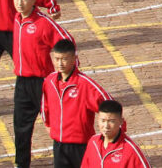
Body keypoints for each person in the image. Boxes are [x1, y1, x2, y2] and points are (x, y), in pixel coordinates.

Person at [11, 0, 73, 168]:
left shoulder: (44, 23)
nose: (19, 3)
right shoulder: (16, 18)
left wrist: (68, 74)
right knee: (20, 128)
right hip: (22, 83)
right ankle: (21, 164)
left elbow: (66, 41)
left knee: (55, 126)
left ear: (33, 0)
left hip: (43, 83)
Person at [42, 39, 113, 168]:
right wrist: (48, 124)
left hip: (82, 145)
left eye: (64, 59)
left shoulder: (85, 84)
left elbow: (108, 105)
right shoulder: (49, 81)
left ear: (74, 59)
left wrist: (115, 133)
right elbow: (45, 105)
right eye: (57, 59)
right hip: (59, 145)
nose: (60, 64)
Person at [80, 100, 152, 167]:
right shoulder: (93, 142)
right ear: (98, 120)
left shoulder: (130, 151)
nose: (106, 126)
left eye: (111, 121)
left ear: (121, 121)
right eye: (103, 121)